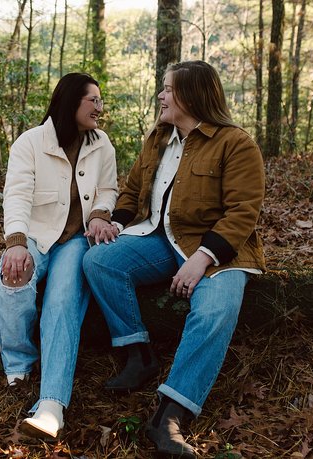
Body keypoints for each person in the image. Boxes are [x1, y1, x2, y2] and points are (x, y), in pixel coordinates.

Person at [82, 60, 266, 457]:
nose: (161, 96)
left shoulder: (236, 143)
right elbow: (133, 191)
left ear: (191, 94)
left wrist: (202, 258)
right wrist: (114, 222)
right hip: (160, 238)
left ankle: (170, 414)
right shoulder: (159, 139)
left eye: (167, 89)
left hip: (219, 252)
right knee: (99, 261)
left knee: (216, 309)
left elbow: (242, 212)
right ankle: (138, 354)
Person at [0, 72, 119, 440]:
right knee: (14, 273)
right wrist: (15, 241)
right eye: (92, 100)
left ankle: (51, 406)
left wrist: (99, 214)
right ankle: (18, 363)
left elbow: (109, 189)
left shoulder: (102, 144)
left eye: (100, 100)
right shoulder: (30, 142)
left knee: (63, 299)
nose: (100, 107)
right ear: (71, 102)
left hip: (75, 241)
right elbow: (16, 195)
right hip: (35, 234)